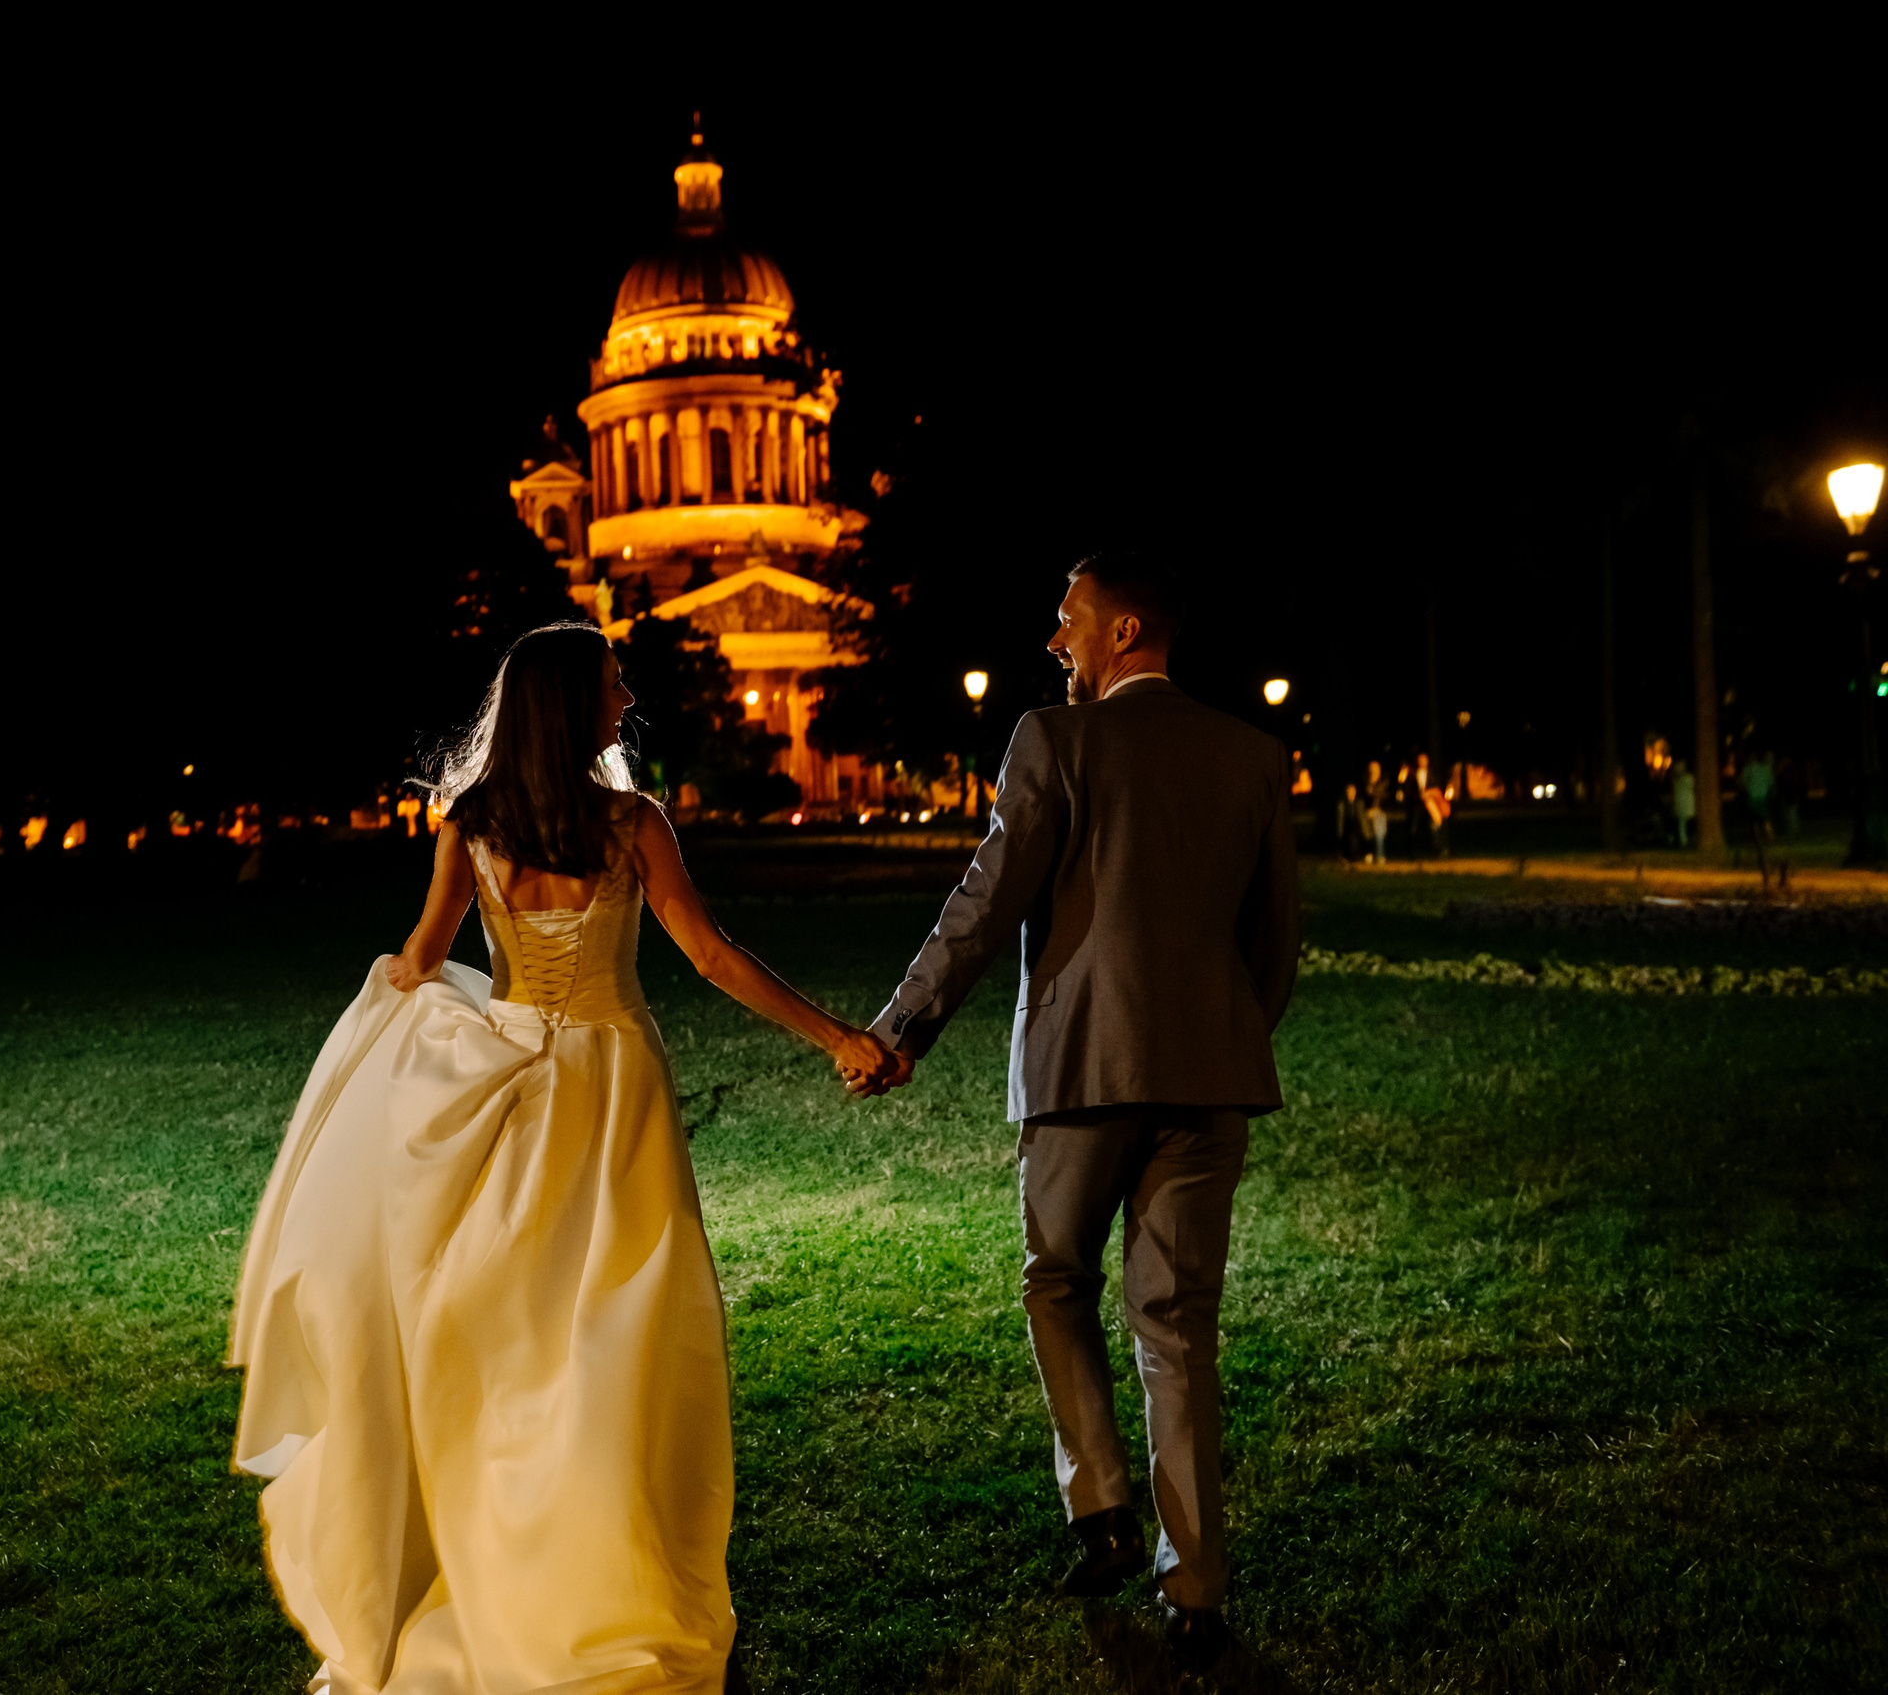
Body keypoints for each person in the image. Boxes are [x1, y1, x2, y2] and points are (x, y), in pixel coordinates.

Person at [229, 620, 896, 1694]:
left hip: (503, 1089)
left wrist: (394, 1053)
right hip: (612, 1085)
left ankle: (512, 1550)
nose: (626, 696)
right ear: (570, 704)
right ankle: (599, 1570)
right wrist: (835, 1035)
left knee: (514, 1328)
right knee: (619, 1329)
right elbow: (708, 953)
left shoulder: (472, 824)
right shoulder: (632, 822)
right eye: (613, 682)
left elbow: (420, 958)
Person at [849, 552, 1298, 1674]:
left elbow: (987, 897)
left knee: (1056, 1279)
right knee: (1177, 1325)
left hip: (1079, 1067)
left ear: (1124, 630)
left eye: (1069, 621)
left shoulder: (1055, 740)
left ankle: (1100, 1507)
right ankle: (1196, 1591)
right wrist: (1219, 1033)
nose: (1056, 642)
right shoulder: (1251, 753)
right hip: (1211, 1076)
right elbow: (1275, 940)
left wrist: (903, 1027)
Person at [1672, 761, 1697, 849]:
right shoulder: (1678, 780)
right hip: (1683, 805)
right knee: (1682, 824)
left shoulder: (1688, 779)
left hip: (1688, 805)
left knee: (1687, 823)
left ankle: (1688, 840)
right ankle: (1684, 841)